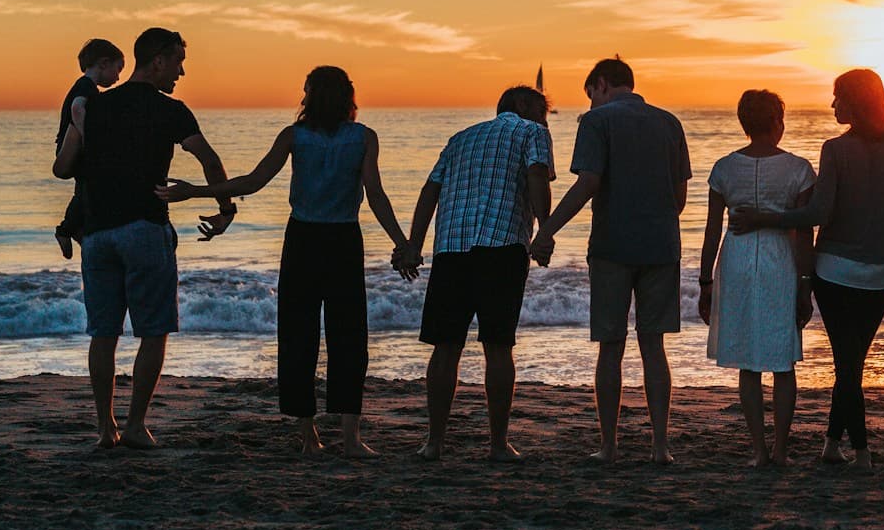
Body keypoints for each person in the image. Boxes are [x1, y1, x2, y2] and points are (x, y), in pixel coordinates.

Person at [158, 66, 413, 457]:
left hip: (304, 241)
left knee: (299, 336)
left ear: (311, 95)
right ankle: (351, 438)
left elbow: (253, 181)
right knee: (349, 338)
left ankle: (308, 434)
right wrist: (402, 243)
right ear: (348, 97)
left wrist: (198, 191)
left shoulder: (296, 136)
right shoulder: (362, 137)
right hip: (343, 240)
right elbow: (375, 195)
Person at [730, 68, 884, 469]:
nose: (833, 104)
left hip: (836, 271)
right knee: (852, 363)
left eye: (838, 97)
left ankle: (862, 452)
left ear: (855, 102)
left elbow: (819, 212)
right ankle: (832, 443)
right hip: (880, 273)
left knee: (848, 365)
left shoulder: (835, 150)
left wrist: (764, 218)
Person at [51, 27, 236, 451]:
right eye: (177, 62)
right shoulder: (171, 110)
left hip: (97, 233)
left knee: (103, 333)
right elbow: (209, 159)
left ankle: (105, 429)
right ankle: (134, 425)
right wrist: (226, 210)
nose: (181, 72)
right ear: (157, 62)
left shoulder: (92, 106)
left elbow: (64, 168)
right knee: (153, 332)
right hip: (144, 229)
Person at [532, 58, 693, 465]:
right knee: (653, 346)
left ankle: (609, 446)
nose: (589, 106)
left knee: (611, 346)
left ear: (601, 85)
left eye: (590, 96)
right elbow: (679, 199)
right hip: (661, 246)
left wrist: (547, 229)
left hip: (612, 246)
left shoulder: (597, 122)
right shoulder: (669, 122)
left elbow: (588, 182)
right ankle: (660, 447)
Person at [401, 85, 554, 462]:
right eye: (542, 110)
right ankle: (498, 445)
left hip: (451, 248)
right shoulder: (532, 131)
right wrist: (545, 229)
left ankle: (434, 442)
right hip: (501, 246)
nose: (544, 118)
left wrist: (413, 244)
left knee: (445, 347)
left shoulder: (460, 138)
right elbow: (536, 174)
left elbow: (429, 190)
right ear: (521, 104)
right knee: (498, 346)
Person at [696, 90, 815, 467]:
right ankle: (780, 450)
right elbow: (805, 232)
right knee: (783, 361)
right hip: (781, 260)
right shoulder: (798, 169)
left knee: (749, 362)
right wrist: (805, 283)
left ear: (744, 124)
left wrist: (705, 283)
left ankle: (759, 452)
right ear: (777, 122)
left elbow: (712, 230)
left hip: (738, 260)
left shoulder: (724, 168)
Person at [52, 37, 125, 259]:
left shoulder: (86, 86)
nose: (118, 77)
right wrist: (90, 138)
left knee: (85, 188)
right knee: (87, 187)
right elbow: (77, 109)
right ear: (103, 63)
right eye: (118, 69)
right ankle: (67, 229)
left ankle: (74, 228)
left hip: (74, 147)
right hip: (73, 148)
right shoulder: (86, 86)